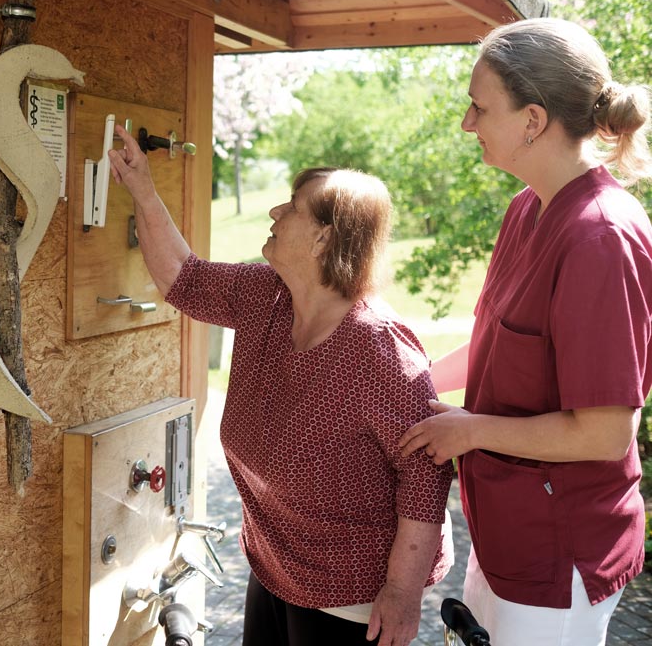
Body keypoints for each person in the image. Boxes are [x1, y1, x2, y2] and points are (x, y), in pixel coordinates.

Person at [108, 127, 453, 646]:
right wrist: (141, 188)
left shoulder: (379, 350)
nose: (274, 213)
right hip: (274, 568)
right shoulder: (266, 295)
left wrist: (402, 595)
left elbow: (426, 478)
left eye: (292, 207)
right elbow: (182, 277)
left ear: (323, 238)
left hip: (353, 596)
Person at [399, 18, 652, 646]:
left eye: (479, 107)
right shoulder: (527, 207)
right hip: (506, 533)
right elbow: (493, 344)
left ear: (533, 120)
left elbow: (604, 433)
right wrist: (407, 382)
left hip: (559, 551)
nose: (467, 123)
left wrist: (470, 430)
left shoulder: (599, 238)